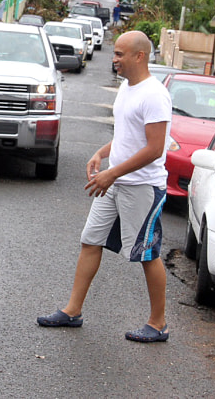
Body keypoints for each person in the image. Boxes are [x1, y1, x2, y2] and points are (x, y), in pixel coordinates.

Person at [37, 30, 173, 343]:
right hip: (115, 180)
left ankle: (158, 323)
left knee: (147, 254)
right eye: (114, 54)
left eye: (120, 54)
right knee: (91, 240)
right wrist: (101, 154)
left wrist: (113, 174)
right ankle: (72, 311)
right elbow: (128, 137)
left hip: (141, 187)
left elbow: (154, 149)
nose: (114, 60)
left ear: (139, 56)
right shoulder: (128, 88)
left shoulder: (154, 95)